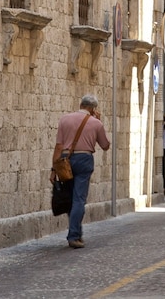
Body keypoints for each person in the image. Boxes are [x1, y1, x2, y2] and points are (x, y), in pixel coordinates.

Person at [51, 94, 110, 249]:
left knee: (71, 198)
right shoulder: (95, 123)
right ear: (92, 109)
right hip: (84, 160)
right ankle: (74, 235)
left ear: (81, 104)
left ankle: (76, 232)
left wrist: (53, 169)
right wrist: (99, 122)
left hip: (65, 160)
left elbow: (58, 146)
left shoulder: (64, 119)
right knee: (79, 199)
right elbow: (105, 145)